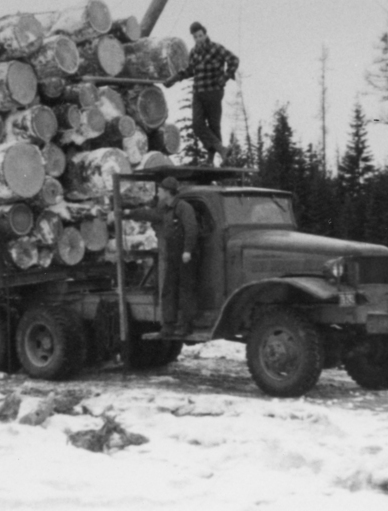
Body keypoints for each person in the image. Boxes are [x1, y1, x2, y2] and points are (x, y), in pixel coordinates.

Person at [125, 177, 198, 337]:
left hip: (184, 255)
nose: (158, 193)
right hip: (172, 253)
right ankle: (169, 325)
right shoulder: (165, 209)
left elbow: (191, 229)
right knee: (169, 289)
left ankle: (186, 325)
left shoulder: (183, 207)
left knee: (185, 290)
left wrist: (187, 250)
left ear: (167, 192)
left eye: (160, 191)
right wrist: (129, 213)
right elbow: (150, 214)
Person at [164, 21, 239, 166]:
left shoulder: (216, 48)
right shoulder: (194, 52)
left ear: (205, 34)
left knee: (214, 126)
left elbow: (234, 60)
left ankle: (211, 160)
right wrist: (173, 79)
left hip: (213, 91)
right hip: (198, 93)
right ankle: (222, 150)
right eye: (195, 37)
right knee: (197, 125)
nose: (198, 39)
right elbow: (190, 70)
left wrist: (225, 77)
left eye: (200, 35)